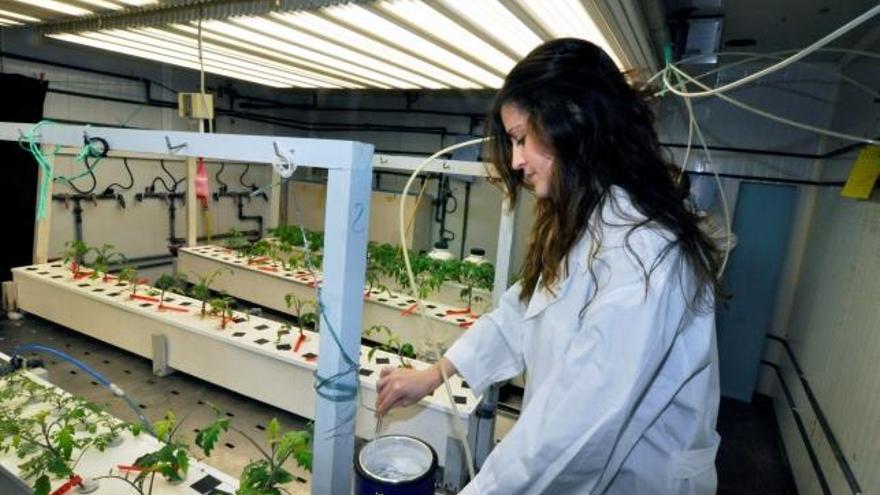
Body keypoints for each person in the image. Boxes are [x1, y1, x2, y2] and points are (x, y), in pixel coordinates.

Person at [375, 38, 723, 495]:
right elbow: (521, 314)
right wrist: (435, 373)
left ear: (572, 120)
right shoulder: (586, 224)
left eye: (521, 138)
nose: (516, 161)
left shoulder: (643, 255)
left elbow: (575, 430)